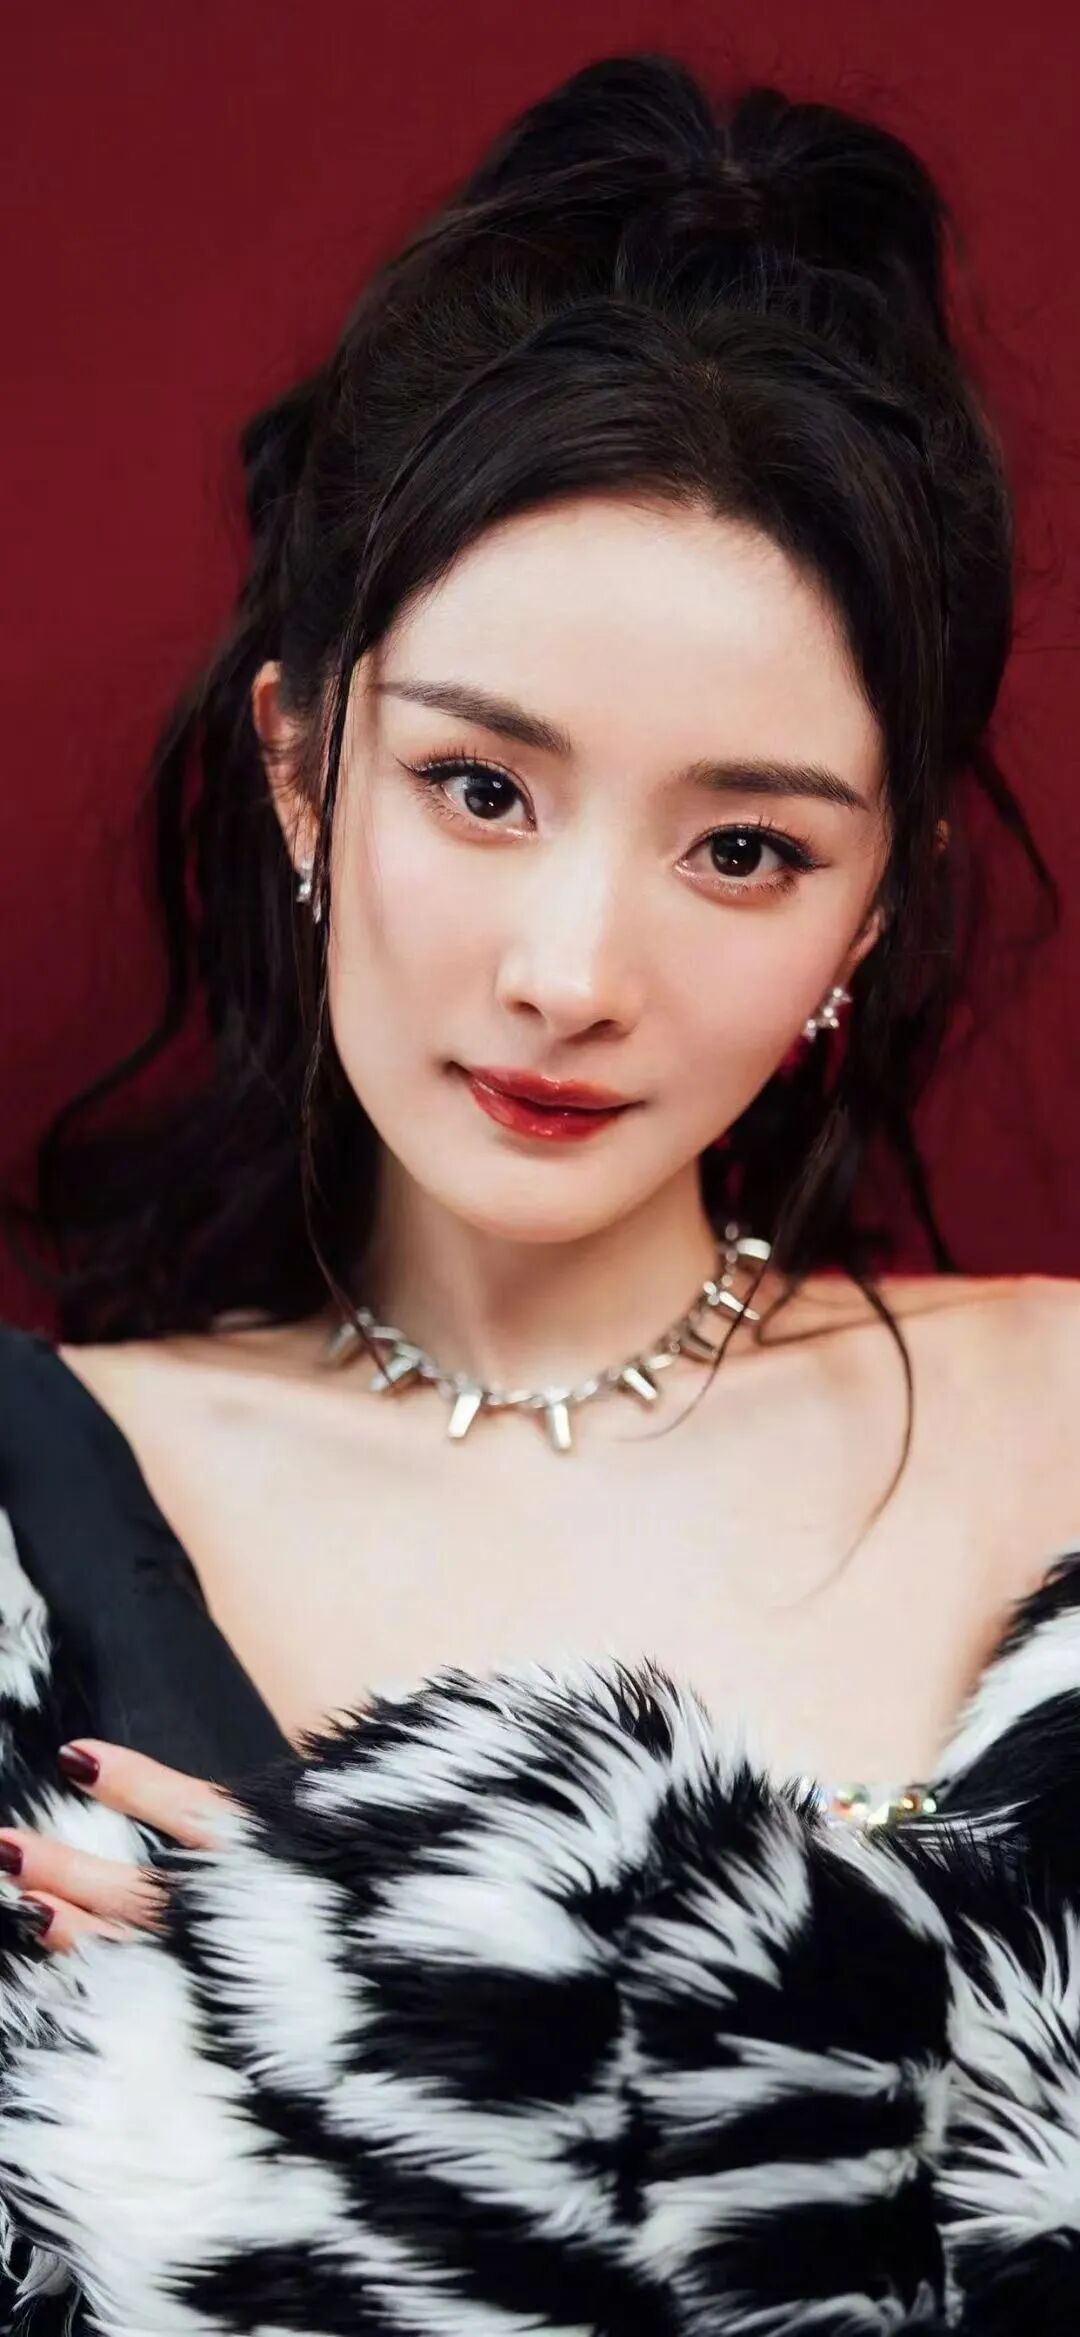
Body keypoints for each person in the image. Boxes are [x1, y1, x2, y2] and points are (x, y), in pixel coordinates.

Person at [0, 45, 1078, 2329]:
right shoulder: (35, 1513)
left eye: (745, 846)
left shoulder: (1064, 1423)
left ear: (877, 905)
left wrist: (528, 2042)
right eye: (482, 786)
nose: (573, 973)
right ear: (304, 764)